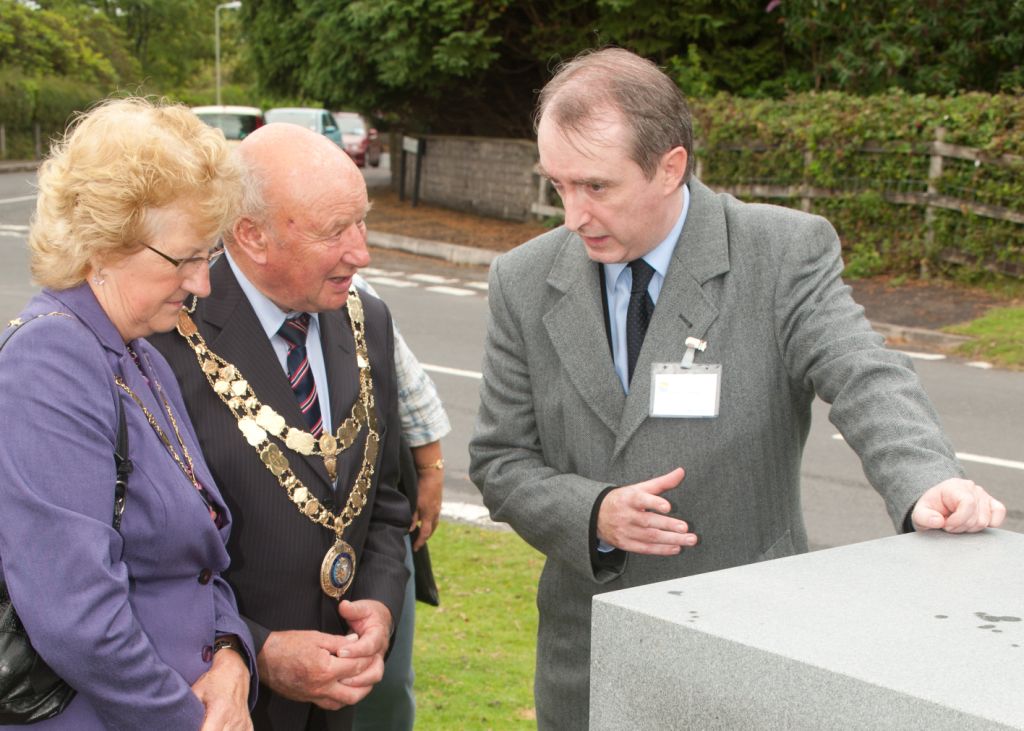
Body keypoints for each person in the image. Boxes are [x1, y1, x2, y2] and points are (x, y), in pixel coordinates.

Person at [467, 47, 1007, 730]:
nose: (573, 215)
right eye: (559, 184)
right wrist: (592, 513)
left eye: (596, 187)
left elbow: (864, 373)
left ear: (670, 167)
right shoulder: (523, 279)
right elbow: (501, 461)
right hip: (588, 665)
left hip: (750, 654)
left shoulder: (779, 253)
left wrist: (927, 479)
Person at [0, 98, 256, 730]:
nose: (201, 283)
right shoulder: (50, 359)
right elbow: (76, 617)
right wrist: (188, 721)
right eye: (183, 258)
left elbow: (201, 562)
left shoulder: (141, 356)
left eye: (208, 255)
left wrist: (231, 658)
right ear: (101, 246)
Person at [151, 122, 410, 731]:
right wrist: (259, 649)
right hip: (218, 702)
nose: (361, 253)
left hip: (339, 697)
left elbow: (386, 500)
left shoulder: (367, 320)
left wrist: (378, 608)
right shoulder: (165, 341)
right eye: (334, 231)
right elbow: (148, 558)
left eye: (362, 222)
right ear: (252, 235)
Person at [351, 274, 451, 731]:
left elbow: (405, 375)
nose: (357, 252)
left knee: (386, 682)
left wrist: (430, 469)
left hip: (376, 511)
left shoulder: (354, 289)